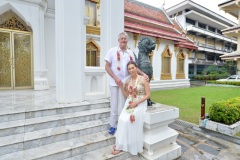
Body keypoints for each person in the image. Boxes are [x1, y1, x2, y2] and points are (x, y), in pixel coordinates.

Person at [105, 32, 148, 135]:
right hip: (115, 83)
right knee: (114, 105)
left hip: (127, 83)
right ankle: (113, 125)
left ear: (127, 40)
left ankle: (123, 124)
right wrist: (116, 78)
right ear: (118, 40)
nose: (123, 40)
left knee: (125, 104)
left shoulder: (130, 53)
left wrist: (143, 74)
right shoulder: (112, 51)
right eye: (121, 38)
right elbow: (107, 67)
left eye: (125, 39)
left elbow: (134, 67)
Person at [112, 61, 150, 155]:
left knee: (130, 120)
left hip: (140, 102)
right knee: (121, 119)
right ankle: (120, 144)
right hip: (130, 101)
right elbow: (127, 95)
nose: (131, 70)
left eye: (133, 68)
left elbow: (148, 95)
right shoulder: (128, 81)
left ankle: (129, 145)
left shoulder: (143, 79)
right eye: (129, 69)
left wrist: (136, 102)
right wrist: (121, 87)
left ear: (136, 68)